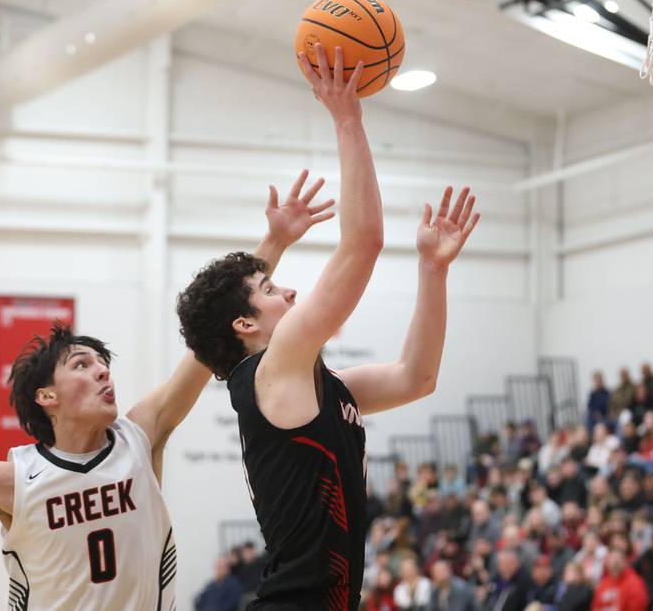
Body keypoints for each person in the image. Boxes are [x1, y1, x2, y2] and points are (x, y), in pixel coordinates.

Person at [176, 44, 479, 610]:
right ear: (244, 324)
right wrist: (347, 117)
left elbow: (417, 377)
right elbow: (362, 244)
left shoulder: (318, 385)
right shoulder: (269, 370)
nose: (287, 289)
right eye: (270, 290)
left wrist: (432, 271)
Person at [0, 181, 326, 610]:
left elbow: (210, 339)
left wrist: (274, 242)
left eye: (101, 362)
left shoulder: (140, 435)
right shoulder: (13, 478)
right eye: (81, 365)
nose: (103, 369)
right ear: (46, 396)